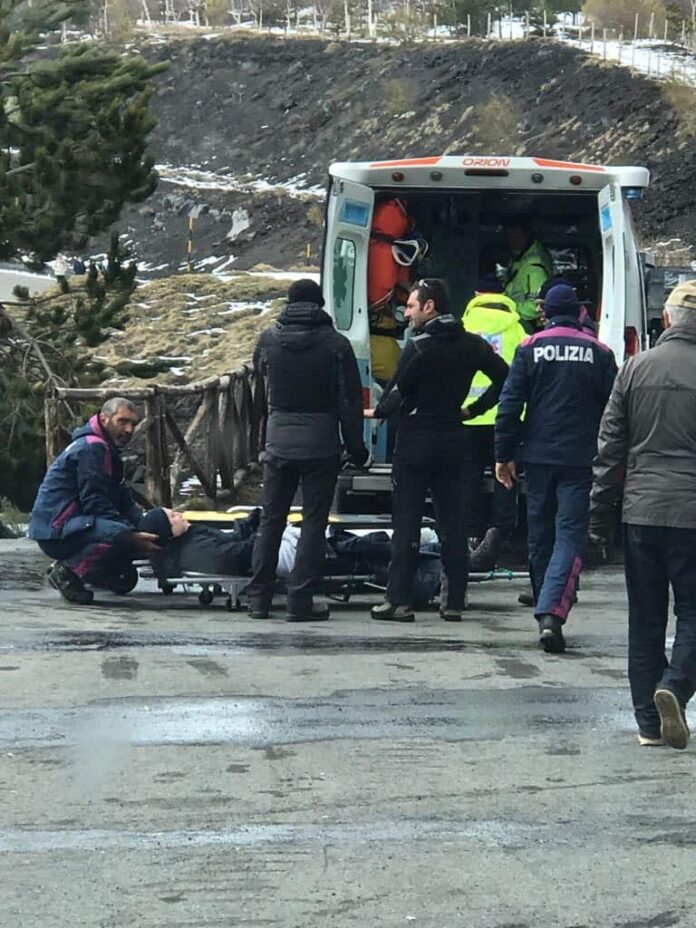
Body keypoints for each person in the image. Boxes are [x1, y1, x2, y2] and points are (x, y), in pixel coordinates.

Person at [590, 280, 696, 749]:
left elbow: (610, 449)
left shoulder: (633, 368)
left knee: (646, 619)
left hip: (642, 512)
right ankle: (673, 687)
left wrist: (599, 515)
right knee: (694, 613)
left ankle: (648, 727)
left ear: (668, 320)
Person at [367, 278, 509, 623]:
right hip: (453, 440)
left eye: (412, 306)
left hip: (416, 441)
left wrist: (381, 412)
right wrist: (473, 410)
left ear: (430, 307)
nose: (408, 312)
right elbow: (505, 377)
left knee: (407, 522)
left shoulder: (418, 347)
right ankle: (454, 601)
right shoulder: (473, 345)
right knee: (453, 523)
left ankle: (398, 600)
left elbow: (399, 390)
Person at [495, 283, 617, 653]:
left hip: (538, 455)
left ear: (545, 311)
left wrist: (504, 454)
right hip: (580, 458)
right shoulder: (600, 352)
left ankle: (544, 602)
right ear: (578, 311)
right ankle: (552, 611)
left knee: (540, 535)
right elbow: (615, 412)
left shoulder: (529, 348)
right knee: (569, 535)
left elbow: (510, 403)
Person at [246, 279, 369, 622]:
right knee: (313, 522)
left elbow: (258, 388)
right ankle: (300, 601)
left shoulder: (268, 340)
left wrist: (262, 439)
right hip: (321, 445)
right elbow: (349, 402)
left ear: (289, 302)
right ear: (321, 304)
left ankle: (258, 598)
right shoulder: (336, 344)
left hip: (278, 441)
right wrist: (357, 449)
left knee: (271, 520)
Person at [28, 398, 161, 605]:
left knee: (131, 532)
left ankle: (98, 573)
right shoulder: (92, 448)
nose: (129, 429)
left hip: (74, 525)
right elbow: (94, 499)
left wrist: (144, 522)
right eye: (122, 421)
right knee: (120, 535)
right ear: (104, 419)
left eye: (133, 424)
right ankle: (67, 573)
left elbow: (120, 495)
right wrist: (131, 534)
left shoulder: (106, 448)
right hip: (57, 531)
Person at [461, 273, 527, 569]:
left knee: (469, 477)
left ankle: (471, 532)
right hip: (507, 417)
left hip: (469, 415)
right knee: (506, 475)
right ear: (504, 295)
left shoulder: (464, 327)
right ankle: (501, 531)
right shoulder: (518, 330)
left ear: (477, 293)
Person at [503, 216, 553, 334]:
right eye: (509, 237)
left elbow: (537, 306)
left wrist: (510, 309)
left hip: (531, 327)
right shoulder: (520, 260)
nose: (512, 241)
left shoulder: (534, 266)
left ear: (527, 236)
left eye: (516, 237)